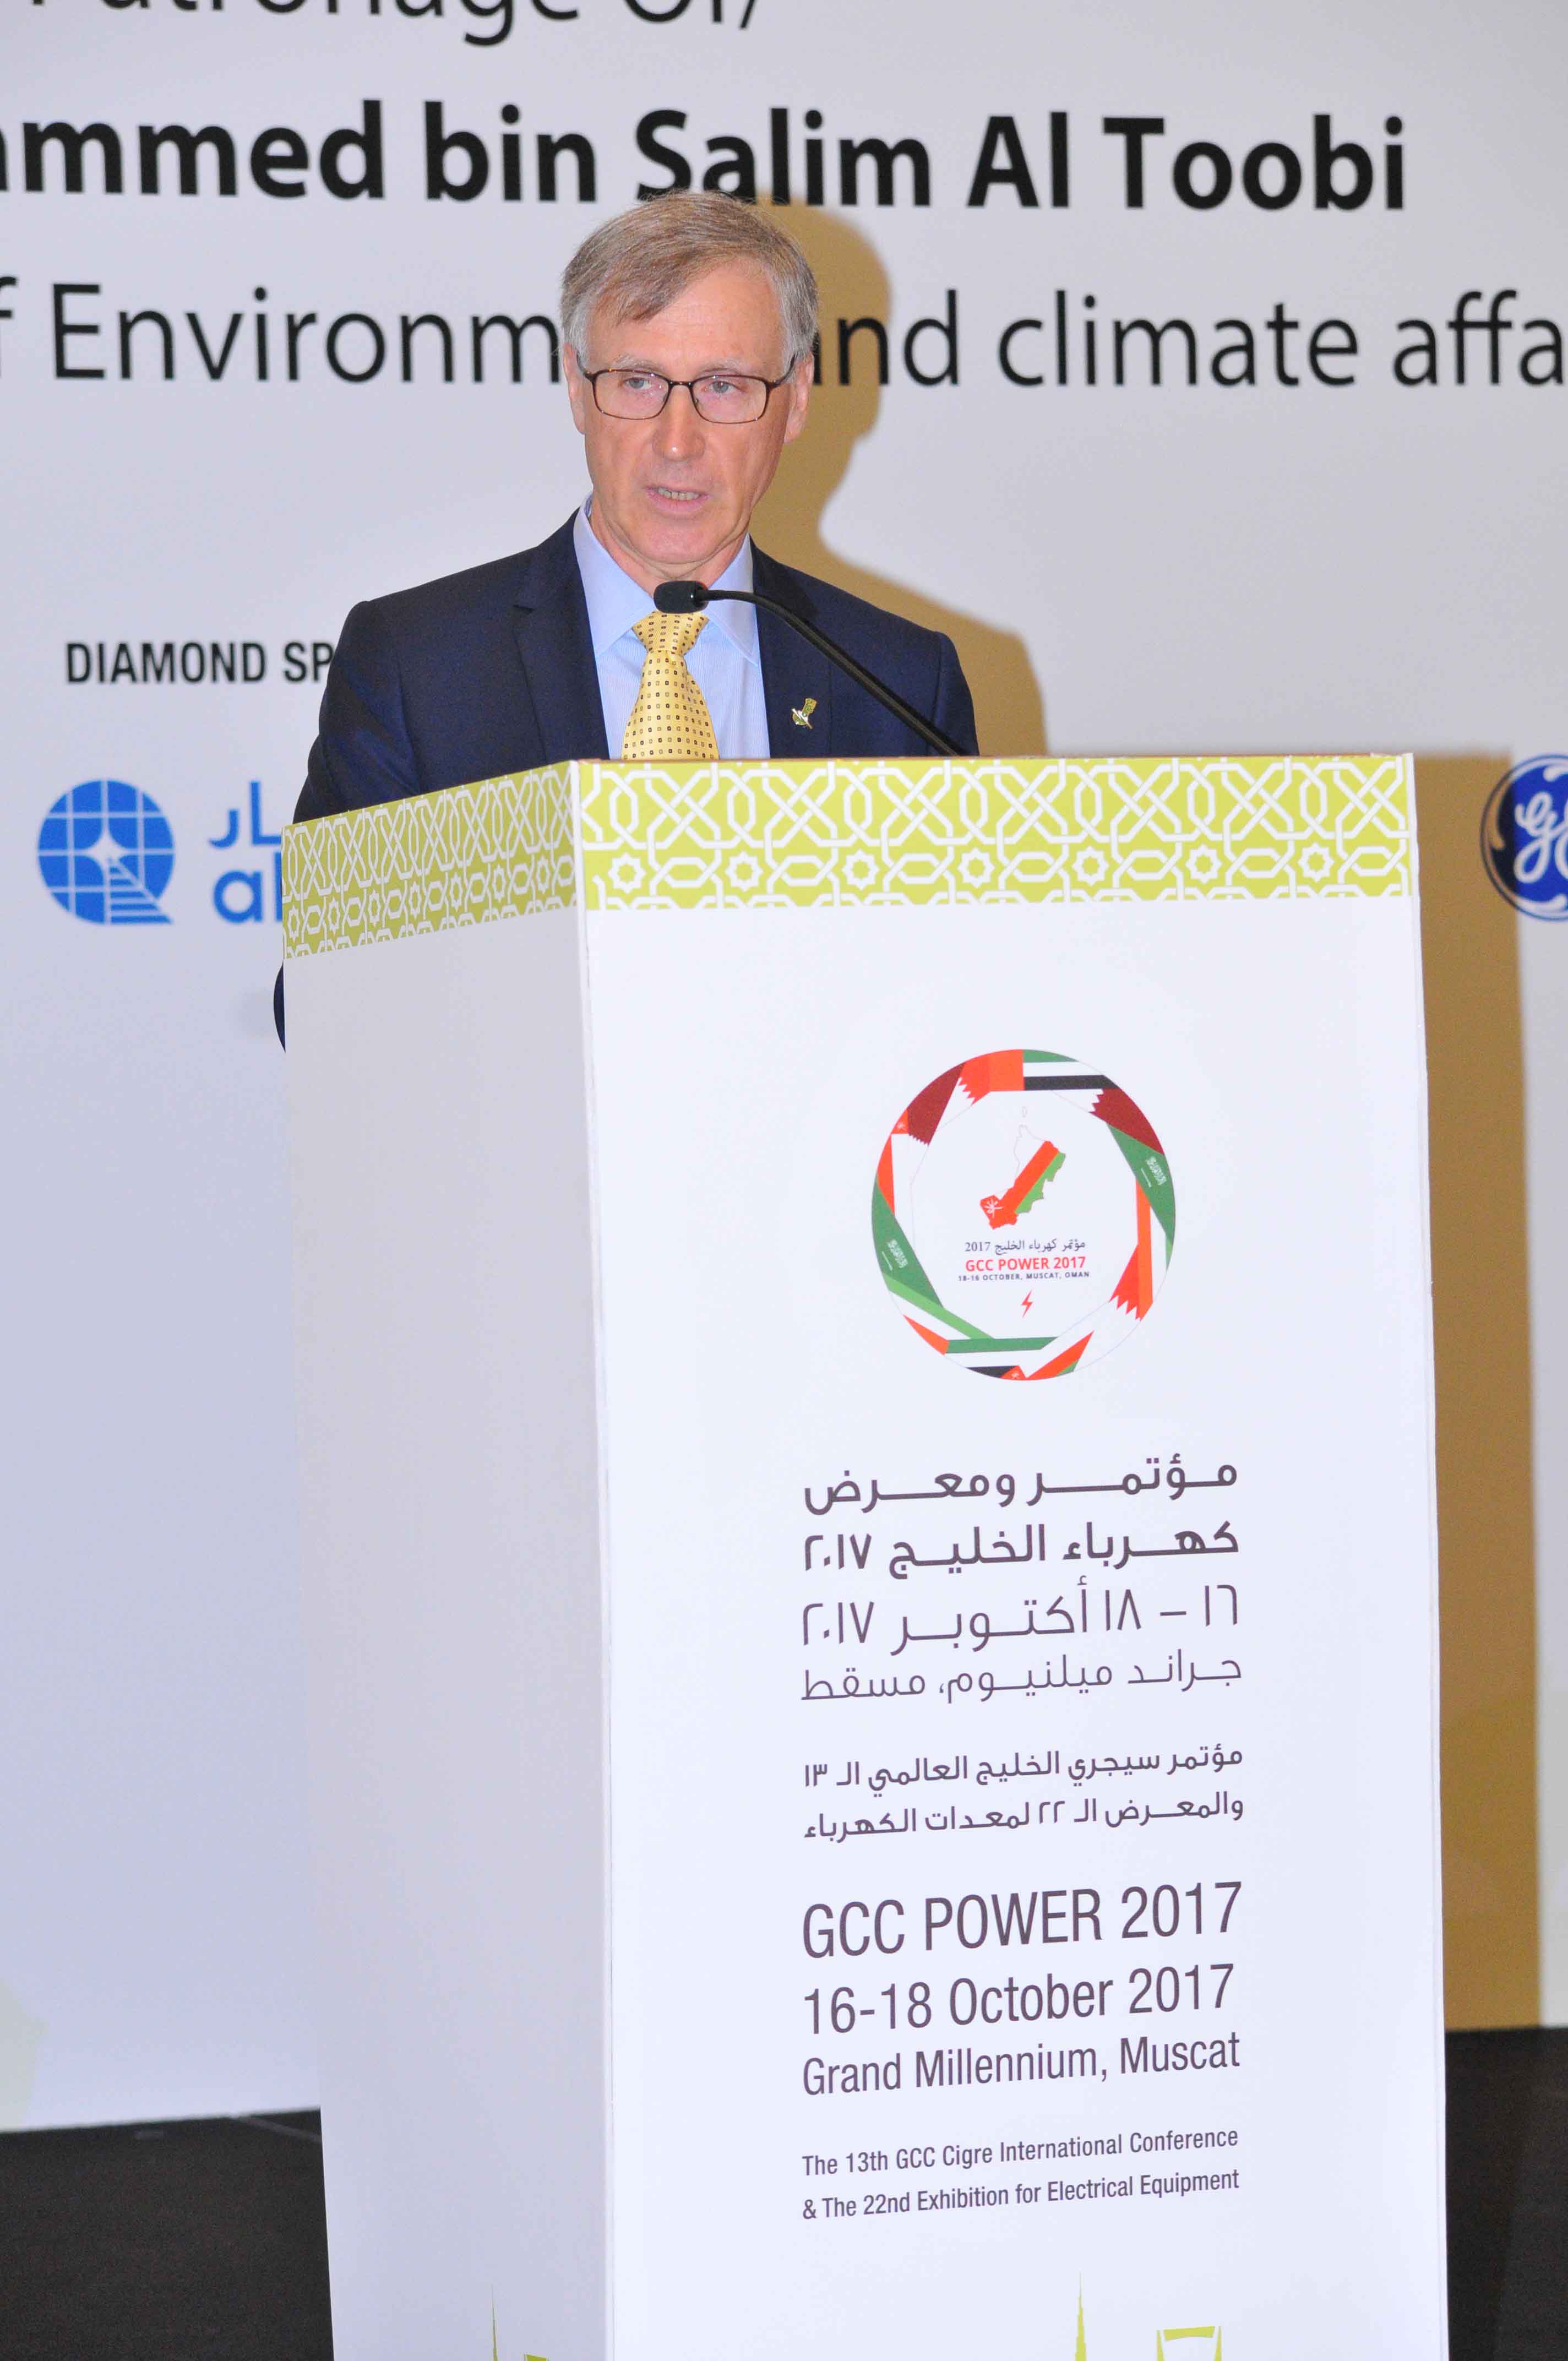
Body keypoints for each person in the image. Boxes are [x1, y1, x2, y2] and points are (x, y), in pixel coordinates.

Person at [294, 192, 977, 823]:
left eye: (724, 386)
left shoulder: (902, 687)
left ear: (796, 398)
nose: (677, 442)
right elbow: (346, 926)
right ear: (576, 386)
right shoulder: (417, 668)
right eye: (638, 382)